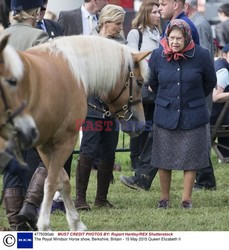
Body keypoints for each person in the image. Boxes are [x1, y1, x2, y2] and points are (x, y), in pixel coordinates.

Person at [120, 0, 200, 191]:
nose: (160, 9)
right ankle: (205, 179)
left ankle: (142, 179)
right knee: (166, 136)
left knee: (164, 136)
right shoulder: (172, 27)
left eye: (163, 5)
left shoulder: (182, 26)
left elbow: (195, 68)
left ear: (175, 4)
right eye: (157, 8)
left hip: (176, 96)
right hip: (171, 94)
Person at [148, 19, 216, 209]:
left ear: (187, 38)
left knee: (191, 159)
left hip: (193, 113)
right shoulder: (157, 55)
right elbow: (153, 83)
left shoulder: (201, 55)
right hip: (165, 112)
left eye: (179, 38)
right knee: (163, 158)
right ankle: (164, 198)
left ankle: (186, 199)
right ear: (166, 37)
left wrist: (191, 99)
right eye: (171, 38)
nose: (175, 42)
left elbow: (209, 83)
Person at [1, 0, 49, 230]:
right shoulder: (40, 37)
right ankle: (30, 205)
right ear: (36, 12)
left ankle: (15, 227)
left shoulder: (3, 35)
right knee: (46, 159)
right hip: (31, 109)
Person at [75, 4, 126, 211]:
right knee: (88, 151)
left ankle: (101, 199)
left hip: (113, 110)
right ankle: (80, 199)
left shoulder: (121, 44)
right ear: (105, 22)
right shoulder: (89, 44)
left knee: (109, 153)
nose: (121, 28)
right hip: (92, 108)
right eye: (118, 23)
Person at [185, 0, 216, 191]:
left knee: (201, 133)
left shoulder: (199, 24)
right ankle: (205, 178)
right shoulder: (198, 22)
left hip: (200, 90)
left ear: (186, 7)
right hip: (198, 89)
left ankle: (205, 179)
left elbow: (202, 59)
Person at [127, 0, 160, 171]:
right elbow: (132, 57)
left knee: (151, 124)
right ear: (146, 13)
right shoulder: (136, 33)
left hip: (156, 85)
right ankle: (135, 158)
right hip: (141, 83)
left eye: (159, 12)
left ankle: (146, 160)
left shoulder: (159, 33)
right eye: (154, 12)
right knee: (139, 123)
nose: (158, 15)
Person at [210, 44, 229, 160]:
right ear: (224, 55)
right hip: (216, 116)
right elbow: (215, 97)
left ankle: (225, 153)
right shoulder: (223, 71)